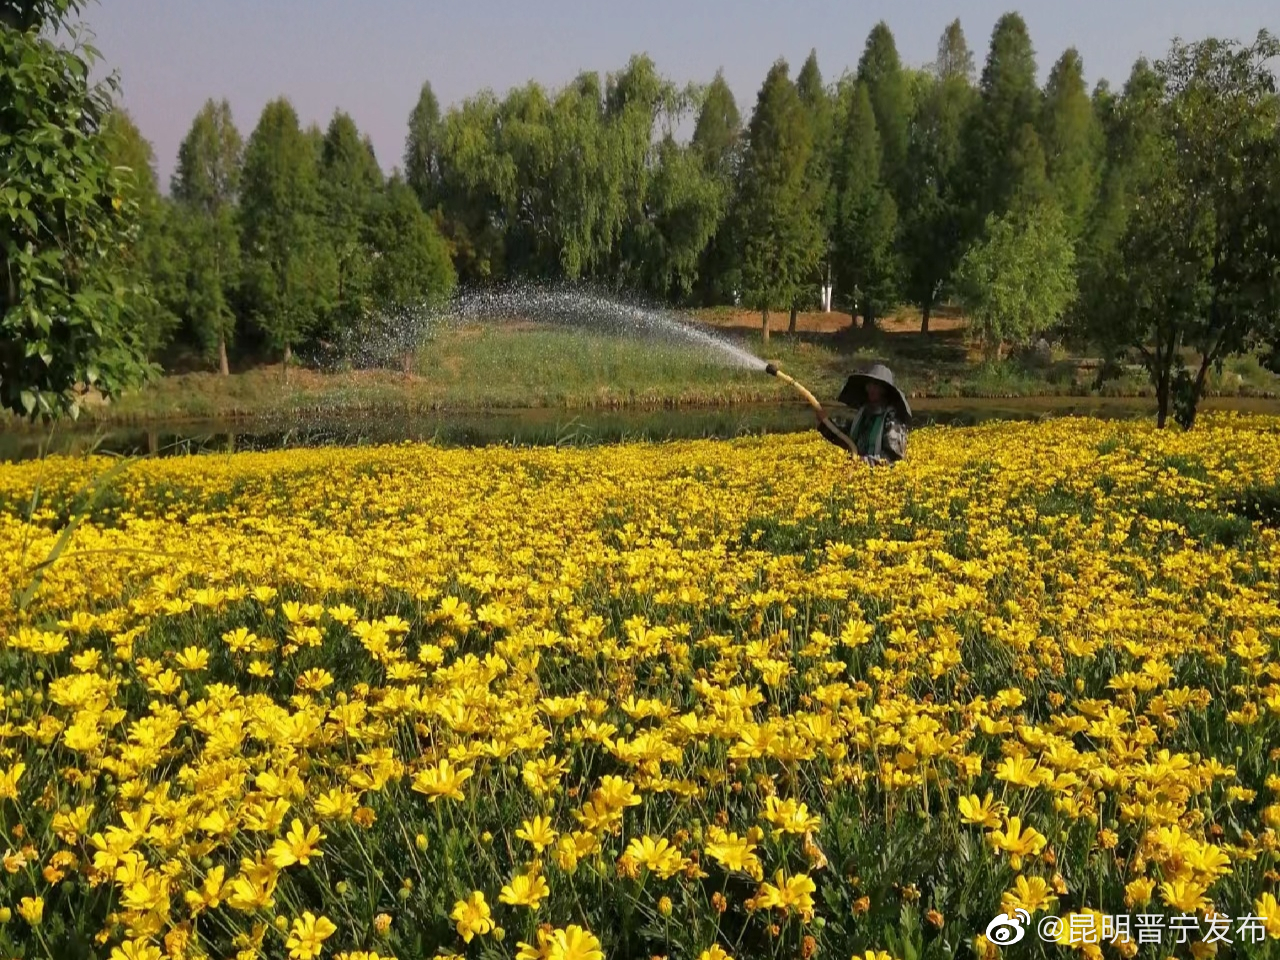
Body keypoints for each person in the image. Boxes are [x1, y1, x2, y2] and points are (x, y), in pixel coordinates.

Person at [815, 363, 910, 465]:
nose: (872, 389)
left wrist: (864, 462)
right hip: (857, 473)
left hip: (880, 478)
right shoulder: (864, 413)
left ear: (884, 390)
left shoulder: (892, 418)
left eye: (877, 385)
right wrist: (825, 422)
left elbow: (893, 458)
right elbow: (845, 439)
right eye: (870, 385)